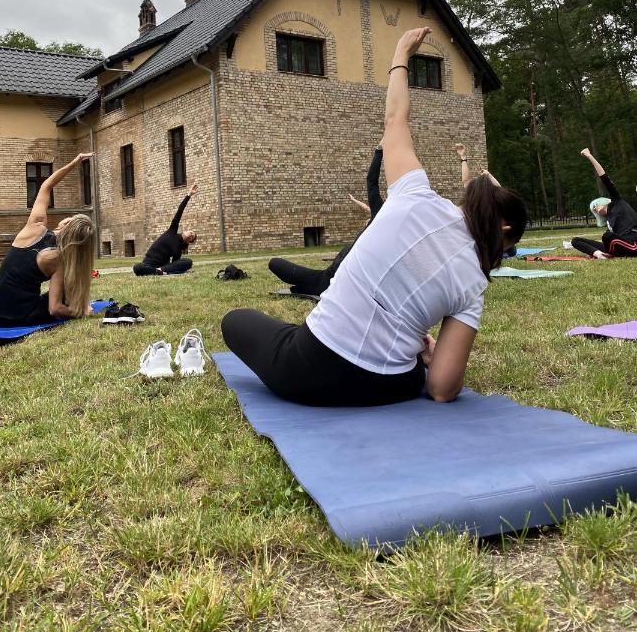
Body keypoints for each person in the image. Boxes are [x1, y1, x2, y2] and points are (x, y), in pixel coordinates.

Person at [222, 28, 527, 407]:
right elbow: (442, 389)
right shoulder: (473, 287)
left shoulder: (415, 193)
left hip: (307, 372)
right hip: (388, 387)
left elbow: (395, 120)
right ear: (503, 229)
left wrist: (400, 55)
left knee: (235, 320)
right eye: (507, 247)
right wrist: (427, 357)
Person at [0, 153, 96, 328]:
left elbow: (46, 186)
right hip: (16, 317)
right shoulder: (58, 259)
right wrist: (81, 311)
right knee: (67, 294)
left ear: (66, 224)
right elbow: (55, 309)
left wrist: (74, 162)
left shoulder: (35, 226)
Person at [268, 144, 384, 297]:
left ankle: (304, 288)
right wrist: (379, 152)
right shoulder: (381, 214)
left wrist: (379, 151)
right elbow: (371, 185)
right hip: (329, 276)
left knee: (275, 263)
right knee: (275, 263)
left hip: (330, 280)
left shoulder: (383, 219)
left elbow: (371, 182)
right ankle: (302, 288)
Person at [571, 149, 637, 258]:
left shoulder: (617, 201)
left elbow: (604, 177)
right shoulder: (609, 224)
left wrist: (589, 156)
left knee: (607, 236)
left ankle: (610, 253)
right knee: (575, 241)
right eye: (595, 210)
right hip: (618, 244)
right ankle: (600, 255)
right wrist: (593, 251)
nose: (596, 209)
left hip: (633, 243)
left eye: (596, 206)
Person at [455, 143, 517, 258]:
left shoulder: (492, 199)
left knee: (512, 252)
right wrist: (463, 158)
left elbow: (499, 188)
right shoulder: (475, 201)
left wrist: (488, 175)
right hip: (484, 240)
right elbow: (466, 181)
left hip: (497, 238)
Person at [133, 182, 198, 276]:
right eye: (191, 232)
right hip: (148, 265)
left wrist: (177, 268)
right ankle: (159, 272)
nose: (191, 234)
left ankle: (160, 271)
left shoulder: (178, 250)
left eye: (192, 237)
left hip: (162, 267)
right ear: (185, 231)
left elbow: (175, 264)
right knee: (137, 267)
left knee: (188, 262)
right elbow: (180, 211)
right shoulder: (172, 231)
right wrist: (189, 195)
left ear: (188, 242)